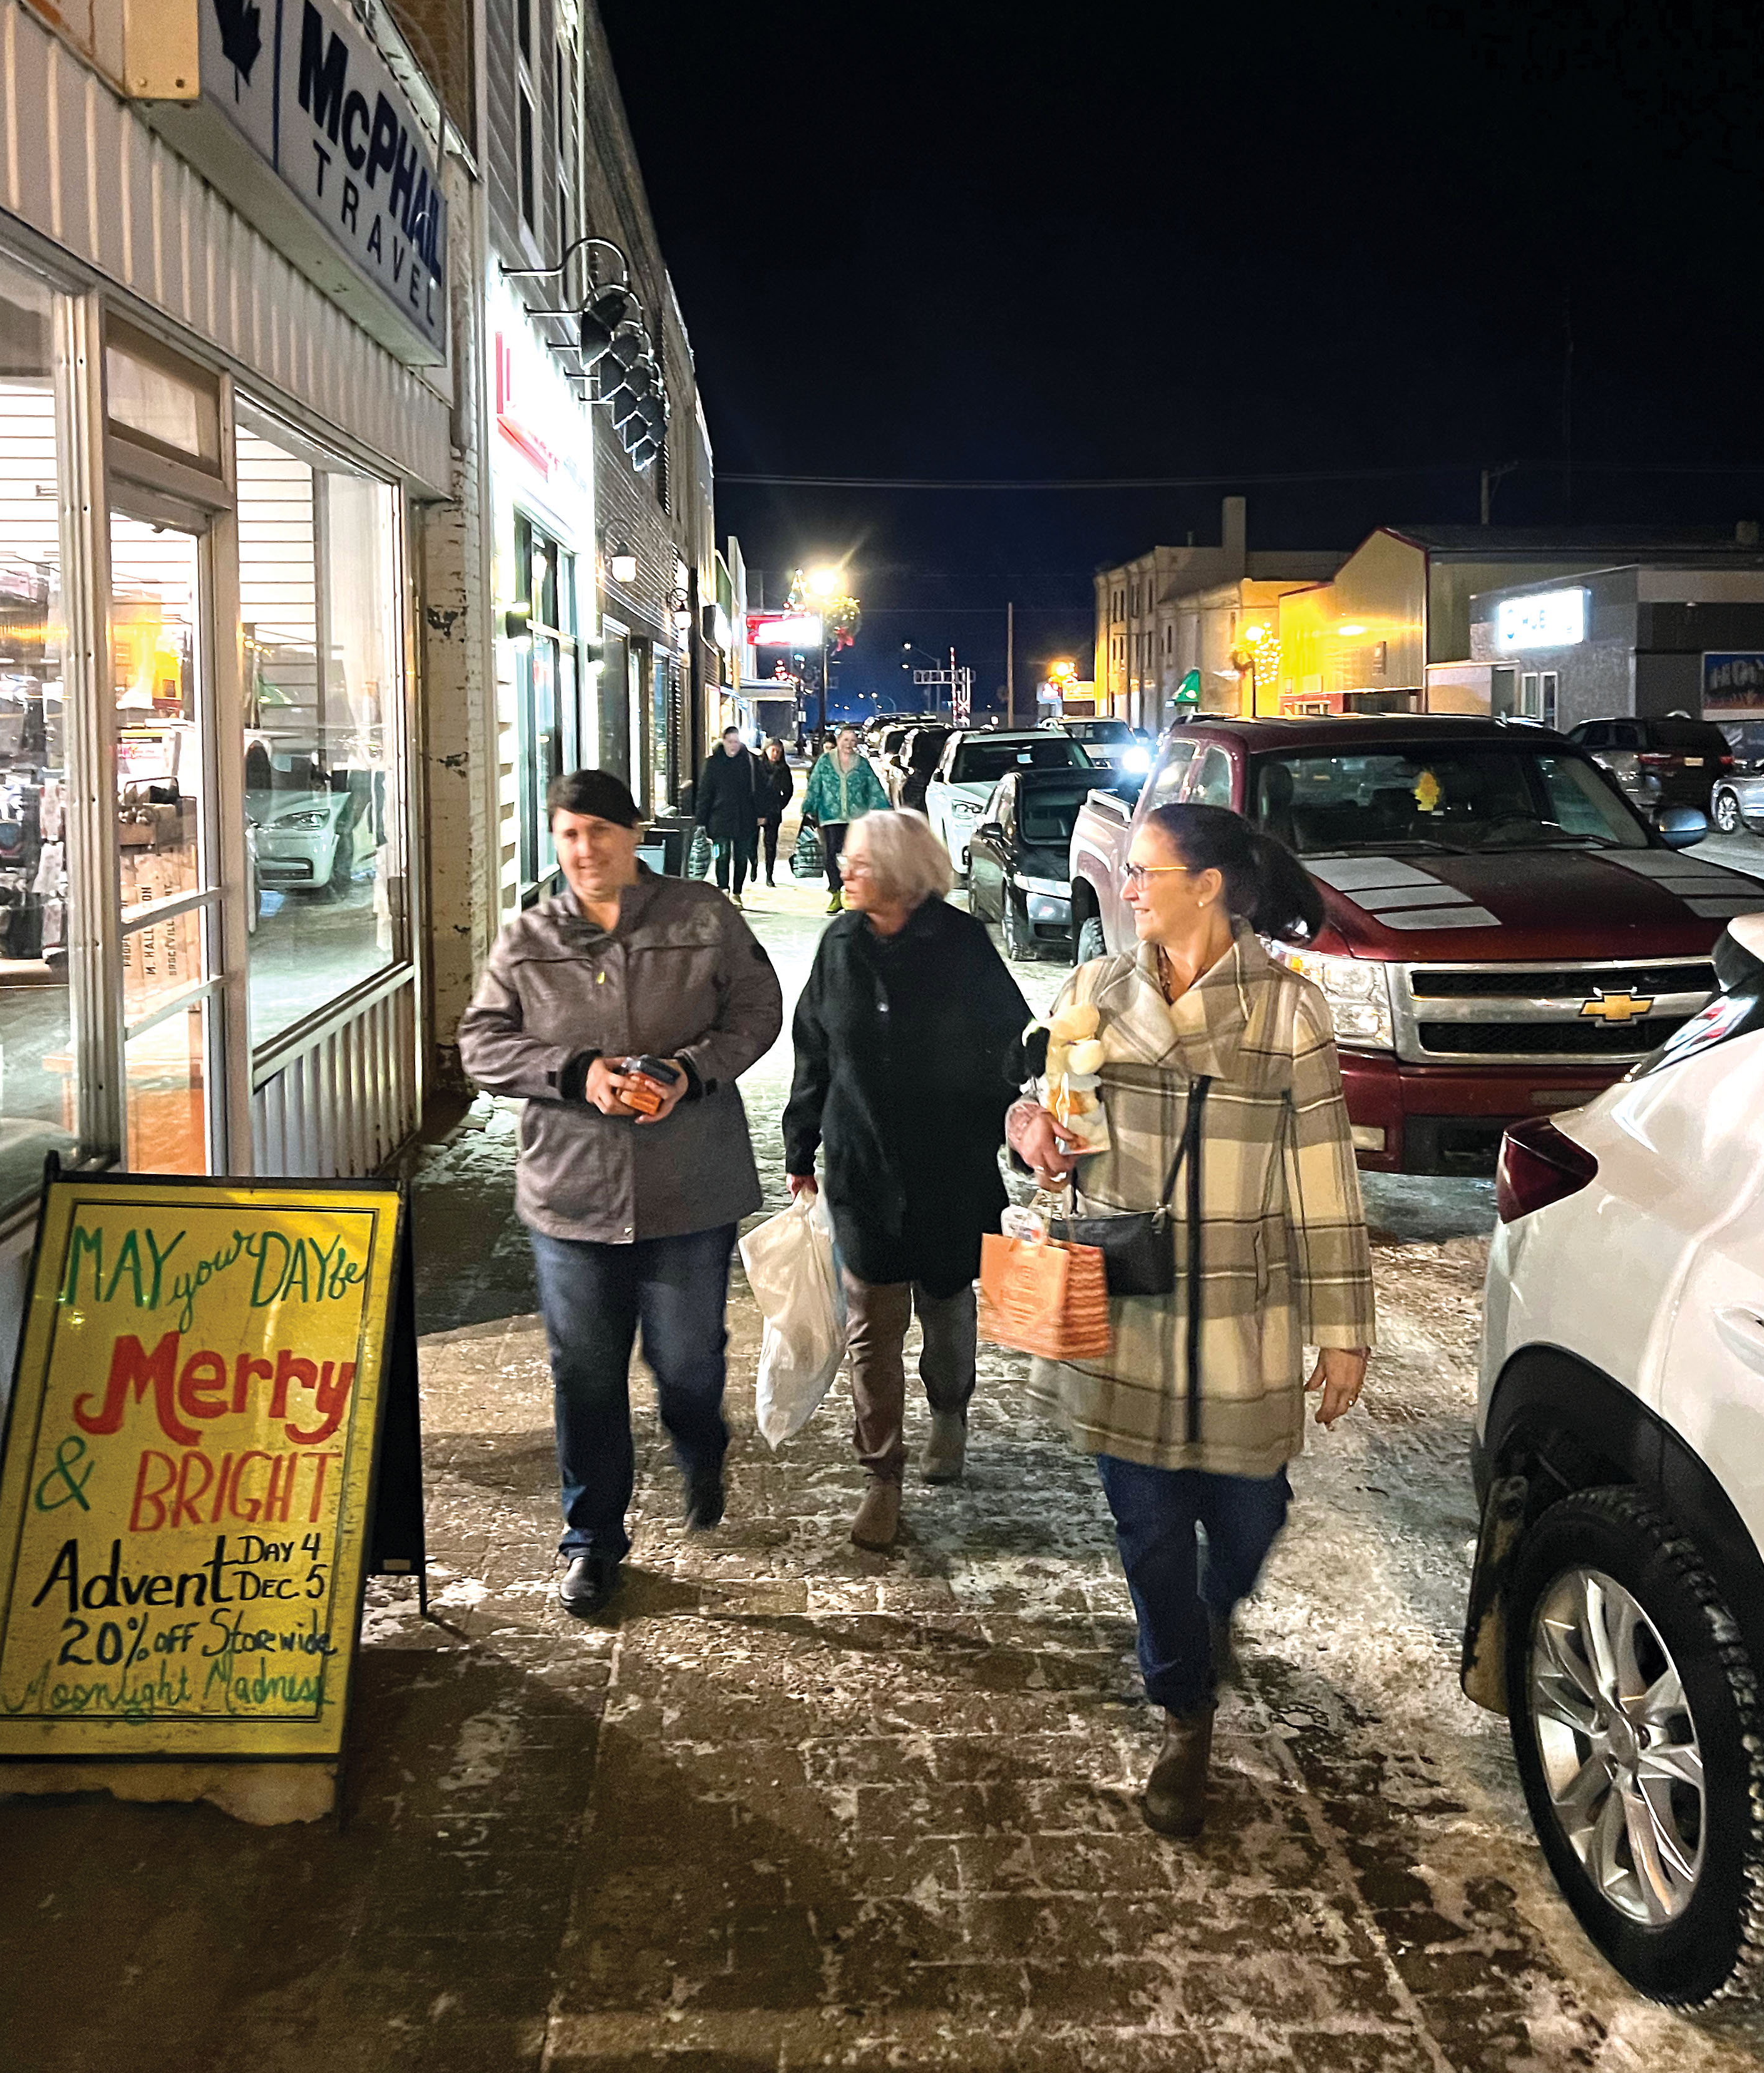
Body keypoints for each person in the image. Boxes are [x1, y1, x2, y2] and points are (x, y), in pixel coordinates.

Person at [1007, 801, 1373, 1840]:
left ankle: (1211, 1617)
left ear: (1206, 886)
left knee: (1251, 1516)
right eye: (1127, 873)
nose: (1125, 889)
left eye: (1144, 872)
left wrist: (1343, 1327)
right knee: (1149, 1528)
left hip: (1241, 1312)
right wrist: (1029, 1131)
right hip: (1127, 1305)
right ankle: (1182, 1706)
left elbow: (1324, 1176)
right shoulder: (1094, 989)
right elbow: (1049, 1122)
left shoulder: (1285, 1010)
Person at [458, 769, 783, 1617]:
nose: (584, 849)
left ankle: (700, 1441)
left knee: (687, 1362)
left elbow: (758, 1010)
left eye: (600, 831)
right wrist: (575, 1073)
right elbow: (481, 1045)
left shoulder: (701, 917)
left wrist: (689, 1072)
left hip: (689, 1187)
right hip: (571, 1195)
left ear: (635, 834)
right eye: (569, 833)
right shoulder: (529, 936)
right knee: (586, 1372)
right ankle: (592, 1539)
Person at [783, 809, 1030, 1548]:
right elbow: (813, 1049)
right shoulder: (840, 946)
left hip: (949, 1170)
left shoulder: (961, 945)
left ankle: (950, 1410)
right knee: (871, 1325)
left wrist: (1003, 1129)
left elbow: (1011, 1046)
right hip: (862, 1168)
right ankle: (881, 1474)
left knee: (947, 1307)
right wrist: (800, 1147)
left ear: (899, 872)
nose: (845, 870)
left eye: (859, 862)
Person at [800, 724, 886, 912]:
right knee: (832, 855)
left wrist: (884, 810)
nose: (849, 744)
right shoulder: (825, 762)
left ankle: (851, 894)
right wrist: (808, 808)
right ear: (838, 741)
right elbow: (815, 785)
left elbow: (873, 787)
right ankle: (835, 893)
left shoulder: (862, 764)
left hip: (857, 818)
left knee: (854, 857)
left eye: (853, 741)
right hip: (831, 816)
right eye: (846, 740)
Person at [696, 724, 759, 902]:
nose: (733, 746)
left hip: (744, 819)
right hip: (719, 821)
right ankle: (723, 888)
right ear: (723, 742)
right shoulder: (713, 763)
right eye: (730, 742)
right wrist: (701, 821)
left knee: (741, 858)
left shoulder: (750, 762)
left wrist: (761, 814)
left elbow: (760, 790)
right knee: (720, 855)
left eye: (736, 742)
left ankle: (737, 892)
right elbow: (705, 793)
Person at [754, 737, 795, 885]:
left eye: (779, 751)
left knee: (771, 845)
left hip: (773, 811)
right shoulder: (756, 766)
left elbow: (788, 791)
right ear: (766, 750)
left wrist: (779, 806)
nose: (776, 754)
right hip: (756, 810)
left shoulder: (783, 769)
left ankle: (769, 875)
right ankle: (753, 864)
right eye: (773, 750)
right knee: (752, 843)